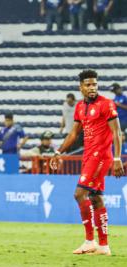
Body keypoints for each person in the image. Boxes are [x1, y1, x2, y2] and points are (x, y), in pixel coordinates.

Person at [50, 69, 124, 256]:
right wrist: (59, 151)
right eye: (88, 84)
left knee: (79, 194)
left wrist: (117, 158)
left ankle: (90, 241)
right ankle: (104, 246)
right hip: (89, 155)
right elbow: (74, 134)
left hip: (100, 156)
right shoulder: (80, 107)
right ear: (81, 87)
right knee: (95, 197)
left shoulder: (106, 104)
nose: (92, 87)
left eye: (94, 84)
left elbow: (117, 132)